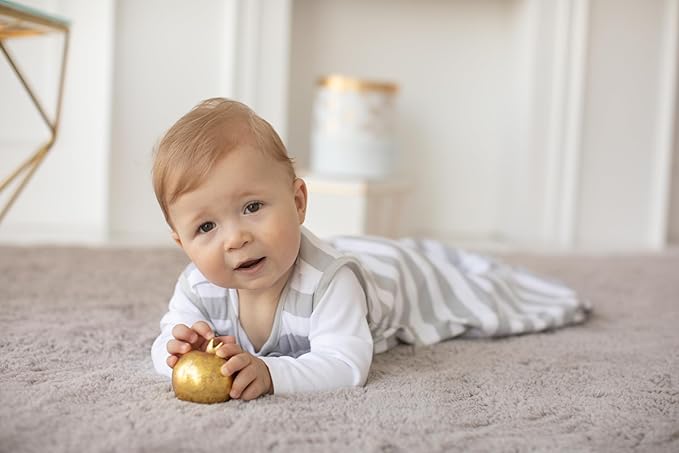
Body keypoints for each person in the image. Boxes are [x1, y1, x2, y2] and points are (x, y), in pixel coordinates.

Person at [150, 98, 591, 401]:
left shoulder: (330, 283)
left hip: (398, 278)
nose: (235, 238)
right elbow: (161, 346)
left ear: (298, 202)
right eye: (206, 226)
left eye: (252, 207)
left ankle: (453, 265)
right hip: (354, 254)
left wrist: (271, 373)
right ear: (182, 243)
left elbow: (345, 364)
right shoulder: (197, 288)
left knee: (473, 291)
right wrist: (177, 352)